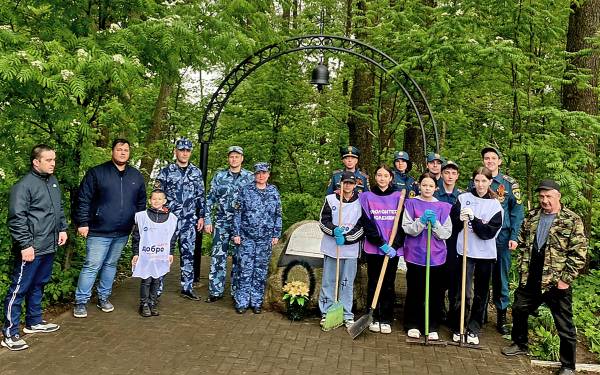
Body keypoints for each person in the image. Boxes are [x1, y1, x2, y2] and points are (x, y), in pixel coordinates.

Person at [502, 180, 587, 375]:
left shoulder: (571, 220)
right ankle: (520, 343)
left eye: (549, 196)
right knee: (519, 309)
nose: (544, 200)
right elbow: (523, 240)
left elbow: (579, 254)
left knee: (564, 325)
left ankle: (568, 366)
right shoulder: (532, 217)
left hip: (556, 281)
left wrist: (565, 280)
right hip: (531, 276)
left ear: (558, 197)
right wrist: (517, 247)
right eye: (541, 197)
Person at [2, 144, 67, 351]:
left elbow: (59, 208)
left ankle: (34, 322)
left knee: (39, 283)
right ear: (36, 162)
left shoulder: (53, 182)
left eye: (54, 160)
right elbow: (16, 218)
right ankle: (10, 333)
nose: (53, 163)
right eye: (48, 160)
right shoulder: (24, 185)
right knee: (19, 289)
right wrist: (25, 245)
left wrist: (63, 228)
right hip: (31, 248)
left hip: (49, 245)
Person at [73, 139, 146, 318]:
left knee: (110, 265)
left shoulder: (135, 176)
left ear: (129, 153)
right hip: (99, 230)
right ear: (112, 151)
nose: (122, 152)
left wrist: (140, 225)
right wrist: (83, 222)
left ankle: (104, 297)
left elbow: (141, 202)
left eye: (126, 150)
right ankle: (81, 301)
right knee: (92, 265)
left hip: (123, 231)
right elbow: (83, 199)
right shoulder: (97, 173)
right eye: (119, 149)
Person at [448, 167, 503, 345]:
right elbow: (452, 225)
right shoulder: (463, 199)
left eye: (484, 181)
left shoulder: (495, 205)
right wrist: (459, 218)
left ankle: (474, 328)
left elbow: (487, 233)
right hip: (465, 251)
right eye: (477, 180)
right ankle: (459, 326)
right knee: (462, 291)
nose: (480, 184)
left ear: (490, 182)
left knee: (481, 293)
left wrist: (474, 220)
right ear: (473, 181)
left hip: (485, 254)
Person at [474, 146, 524, 334]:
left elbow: (517, 212)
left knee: (501, 278)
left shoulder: (509, 184)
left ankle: (502, 316)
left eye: (493, 158)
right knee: (482, 275)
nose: (490, 161)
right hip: (483, 237)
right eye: (486, 158)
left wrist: (514, 237)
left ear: (499, 161)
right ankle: (481, 313)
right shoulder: (479, 181)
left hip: (502, 238)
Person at [402, 172, 452, 340]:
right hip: (415, 254)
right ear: (419, 186)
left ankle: (431, 326)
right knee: (415, 290)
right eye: (424, 185)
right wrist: (421, 221)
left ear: (436, 188)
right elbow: (407, 228)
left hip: (436, 256)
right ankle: (412, 324)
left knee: (435, 293)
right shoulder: (411, 204)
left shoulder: (444, 207)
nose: (427, 188)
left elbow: (446, 233)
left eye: (431, 186)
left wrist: (435, 223)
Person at [155, 138, 206, 301]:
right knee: (163, 253)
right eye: (181, 150)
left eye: (187, 151)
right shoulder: (166, 171)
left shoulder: (196, 172)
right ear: (176, 151)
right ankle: (157, 288)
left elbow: (201, 196)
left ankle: (187, 287)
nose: (184, 153)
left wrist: (202, 216)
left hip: (189, 220)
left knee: (188, 254)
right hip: (168, 220)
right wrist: (159, 216)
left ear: (190, 153)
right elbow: (157, 196)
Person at [204, 146, 254, 303]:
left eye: (237, 157)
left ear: (242, 159)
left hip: (241, 226)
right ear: (228, 159)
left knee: (239, 258)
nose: (234, 159)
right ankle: (215, 291)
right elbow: (210, 199)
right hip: (222, 223)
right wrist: (207, 220)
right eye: (231, 157)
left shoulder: (250, 177)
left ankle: (237, 292)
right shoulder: (219, 177)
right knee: (218, 257)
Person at [359, 164, 404, 334]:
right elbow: (367, 223)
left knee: (388, 284)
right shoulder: (366, 197)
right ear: (375, 177)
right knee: (373, 282)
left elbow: (402, 224)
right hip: (375, 247)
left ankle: (385, 317)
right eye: (379, 175)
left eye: (386, 175)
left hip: (392, 249)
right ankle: (373, 315)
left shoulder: (399, 197)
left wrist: (394, 245)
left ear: (391, 178)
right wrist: (380, 243)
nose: (382, 178)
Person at [232, 163, 282, 314]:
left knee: (260, 271)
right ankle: (242, 301)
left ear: (268, 174)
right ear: (254, 174)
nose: (261, 175)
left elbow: (278, 214)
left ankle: (256, 301)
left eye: (264, 173)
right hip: (247, 237)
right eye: (258, 173)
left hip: (265, 239)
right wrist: (236, 233)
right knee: (245, 269)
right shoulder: (246, 190)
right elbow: (237, 213)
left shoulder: (273, 191)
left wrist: (276, 234)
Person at [318, 171, 364, 329]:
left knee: (346, 283)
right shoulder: (330, 200)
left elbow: (361, 226)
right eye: (345, 183)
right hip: (332, 248)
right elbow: (323, 221)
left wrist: (347, 238)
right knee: (329, 281)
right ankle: (326, 311)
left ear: (355, 185)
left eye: (351, 183)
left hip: (350, 249)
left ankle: (346, 313)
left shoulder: (360, 203)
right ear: (340, 184)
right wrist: (334, 230)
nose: (348, 186)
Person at [131, 189, 178, 317]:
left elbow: (172, 237)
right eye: (154, 199)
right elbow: (136, 236)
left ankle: (152, 302)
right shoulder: (141, 216)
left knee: (157, 280)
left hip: (161, 255)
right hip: (146, 255)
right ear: (149, 200)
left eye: (159, 199)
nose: (156, 201)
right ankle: (144, 304)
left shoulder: (172, 218)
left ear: (164, 201)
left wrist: (171, 253)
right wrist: (135, 253)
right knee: (146, 280)